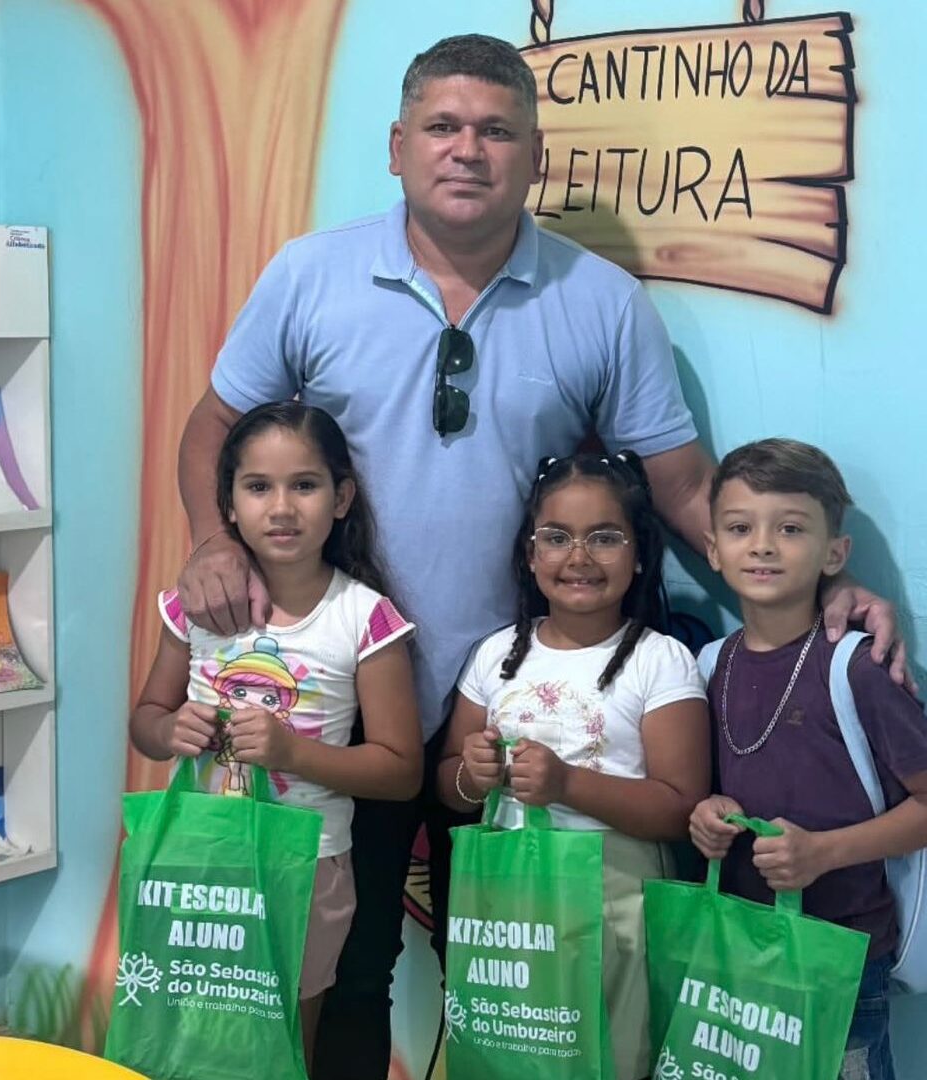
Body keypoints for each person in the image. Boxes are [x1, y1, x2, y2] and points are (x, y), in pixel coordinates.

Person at [174, 33, 904, 1080]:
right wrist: (209, 537)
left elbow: (680, 488)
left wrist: (815, 587)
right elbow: (217, 424)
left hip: (516, 712)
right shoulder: (308, 276)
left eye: (496, 130)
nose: (467, 150)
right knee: (346, 962)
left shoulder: (601, 301)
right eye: (442, 126)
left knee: (513, 981)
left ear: (535, 156)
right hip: (343, 696)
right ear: (397, 146)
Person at [131, 401, 421, 1067]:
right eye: (258, 486)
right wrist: (171, 728)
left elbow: (401, 769)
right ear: (228, 505)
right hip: (198, 856)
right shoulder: (193, 608)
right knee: (188, 1035)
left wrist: (293, 753)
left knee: (285, 1040)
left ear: (341, 498)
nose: (282, 508)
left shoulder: (365, 618)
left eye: (305, 485)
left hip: (307, 866)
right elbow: (145, 720)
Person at [439, 452, 710, 1079]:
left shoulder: (660, 661)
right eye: (557, 538)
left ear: (639, 554)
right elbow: (450, 785)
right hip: (508, 901)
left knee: (606, 1056)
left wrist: (566, 784)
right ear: (531, 554)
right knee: (511, 1057)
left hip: (616, 899)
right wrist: (471, 775)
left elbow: (679, 808)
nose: (579, 557)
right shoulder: (496, 655)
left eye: (605, 538)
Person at [689, 439, 927, 1080]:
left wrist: (823, 852)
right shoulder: (710, 665)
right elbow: (712, 787)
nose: (763, 546)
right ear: (712, 548)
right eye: (740, 528)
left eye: (790, 529)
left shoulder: (858, 667)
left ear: (835, 553)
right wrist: (707, 815)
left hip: (840, 957)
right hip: (739, 947)